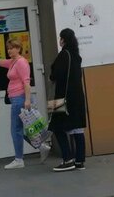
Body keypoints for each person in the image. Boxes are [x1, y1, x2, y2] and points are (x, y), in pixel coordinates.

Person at [0, 39, 33, 169]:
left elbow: (26, 82)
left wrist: (27, 100)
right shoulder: (13, 62)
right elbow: (2, 62)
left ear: (19, 49)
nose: (9, 50)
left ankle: (19, 159)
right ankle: (41, 145)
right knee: (23, 128)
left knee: (16, 129)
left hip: (20, 99)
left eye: (12, 48)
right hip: (16, 99)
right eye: (8, 48)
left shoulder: (21, 62)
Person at [48, 28, 87, 172]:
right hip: (77, 97)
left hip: (63, 98)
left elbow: (56, 74)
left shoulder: (64, 54)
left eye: (60, 38)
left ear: (63, 40)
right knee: (77, 128)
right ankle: (79, 161)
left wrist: (51, 76)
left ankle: (68, 159)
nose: (59, 41)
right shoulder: (76, 55)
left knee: (56, 127)